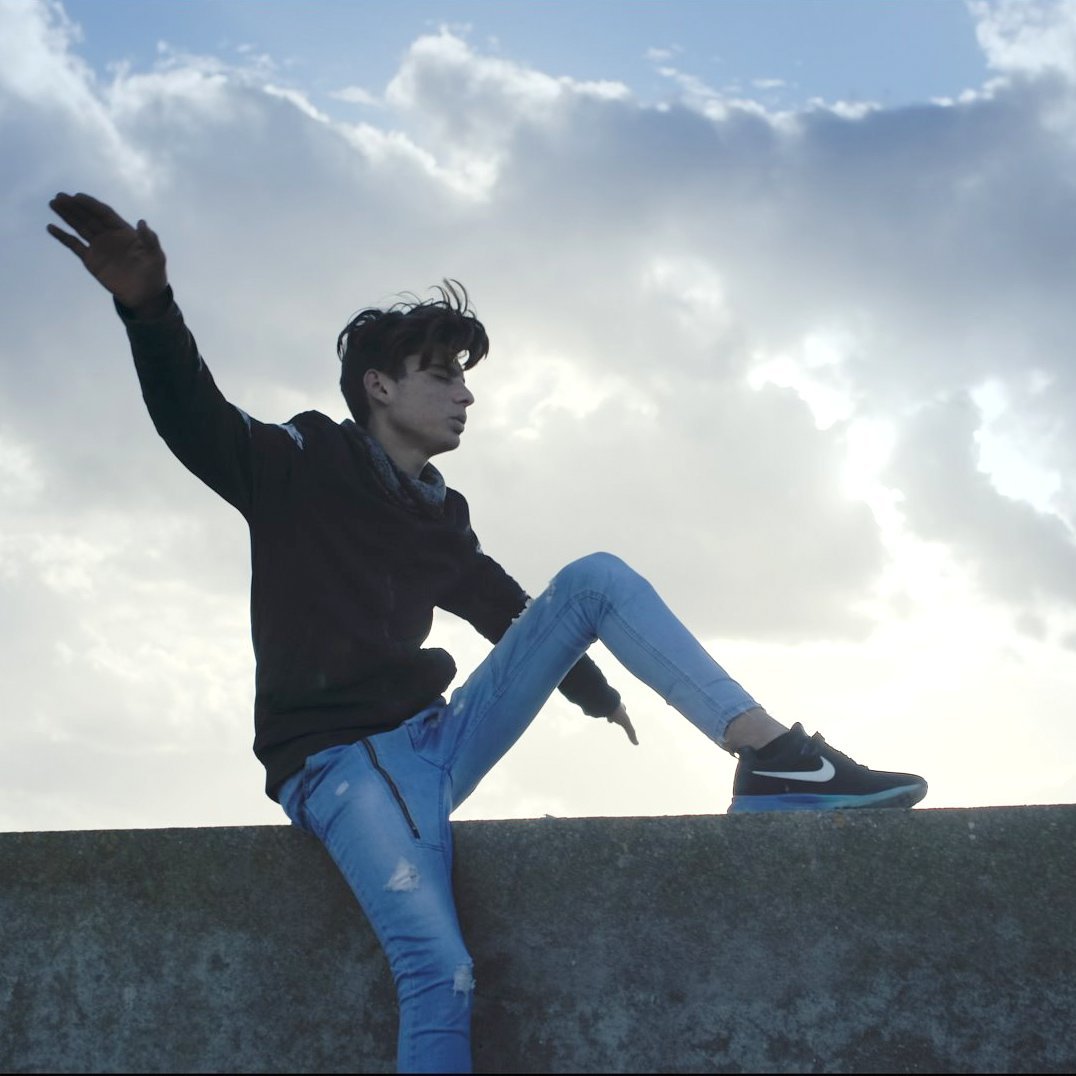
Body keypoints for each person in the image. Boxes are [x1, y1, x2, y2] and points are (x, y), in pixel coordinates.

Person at [47, 192, 927, 1074]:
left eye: (466, 379)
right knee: (440, 970)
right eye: (442, 375)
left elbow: (500, 602)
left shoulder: (439, 513)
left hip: (435, 740)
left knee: (594, 579)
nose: (465, 395)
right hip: (341, 769)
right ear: (379, 386)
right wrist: (147, 307)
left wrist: (593, 688)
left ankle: (774, 759)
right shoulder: (300, 462)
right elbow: (195, 420)